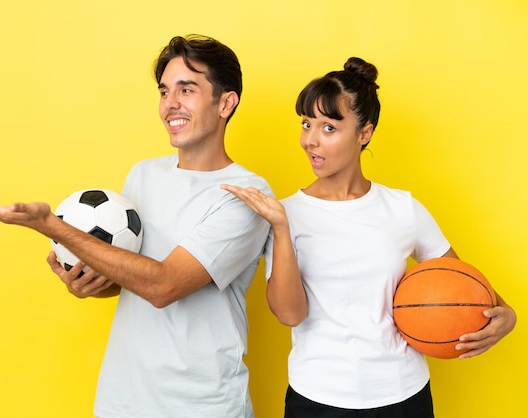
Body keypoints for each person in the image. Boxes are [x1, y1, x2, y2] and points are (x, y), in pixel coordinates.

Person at [0, 35, 272, 418]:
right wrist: (90, 282)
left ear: (225, 102)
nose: (171, 103)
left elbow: (164, 285)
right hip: (123, 399)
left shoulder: (247, 195)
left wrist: (52, 225)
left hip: (200, 404)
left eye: (186, 89)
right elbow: (130, 277)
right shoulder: (143, 174)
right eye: (164, 91)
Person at [221, 57, 516, 417]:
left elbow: (463, 284)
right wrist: (282, 230)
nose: (310, 140)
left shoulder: (402, 208)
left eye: (329, 128)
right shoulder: (285, 213)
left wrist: (507, 316)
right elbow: (289, 314)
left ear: (364, 133)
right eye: (306, 123)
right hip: (317, 396)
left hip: (403, 394)